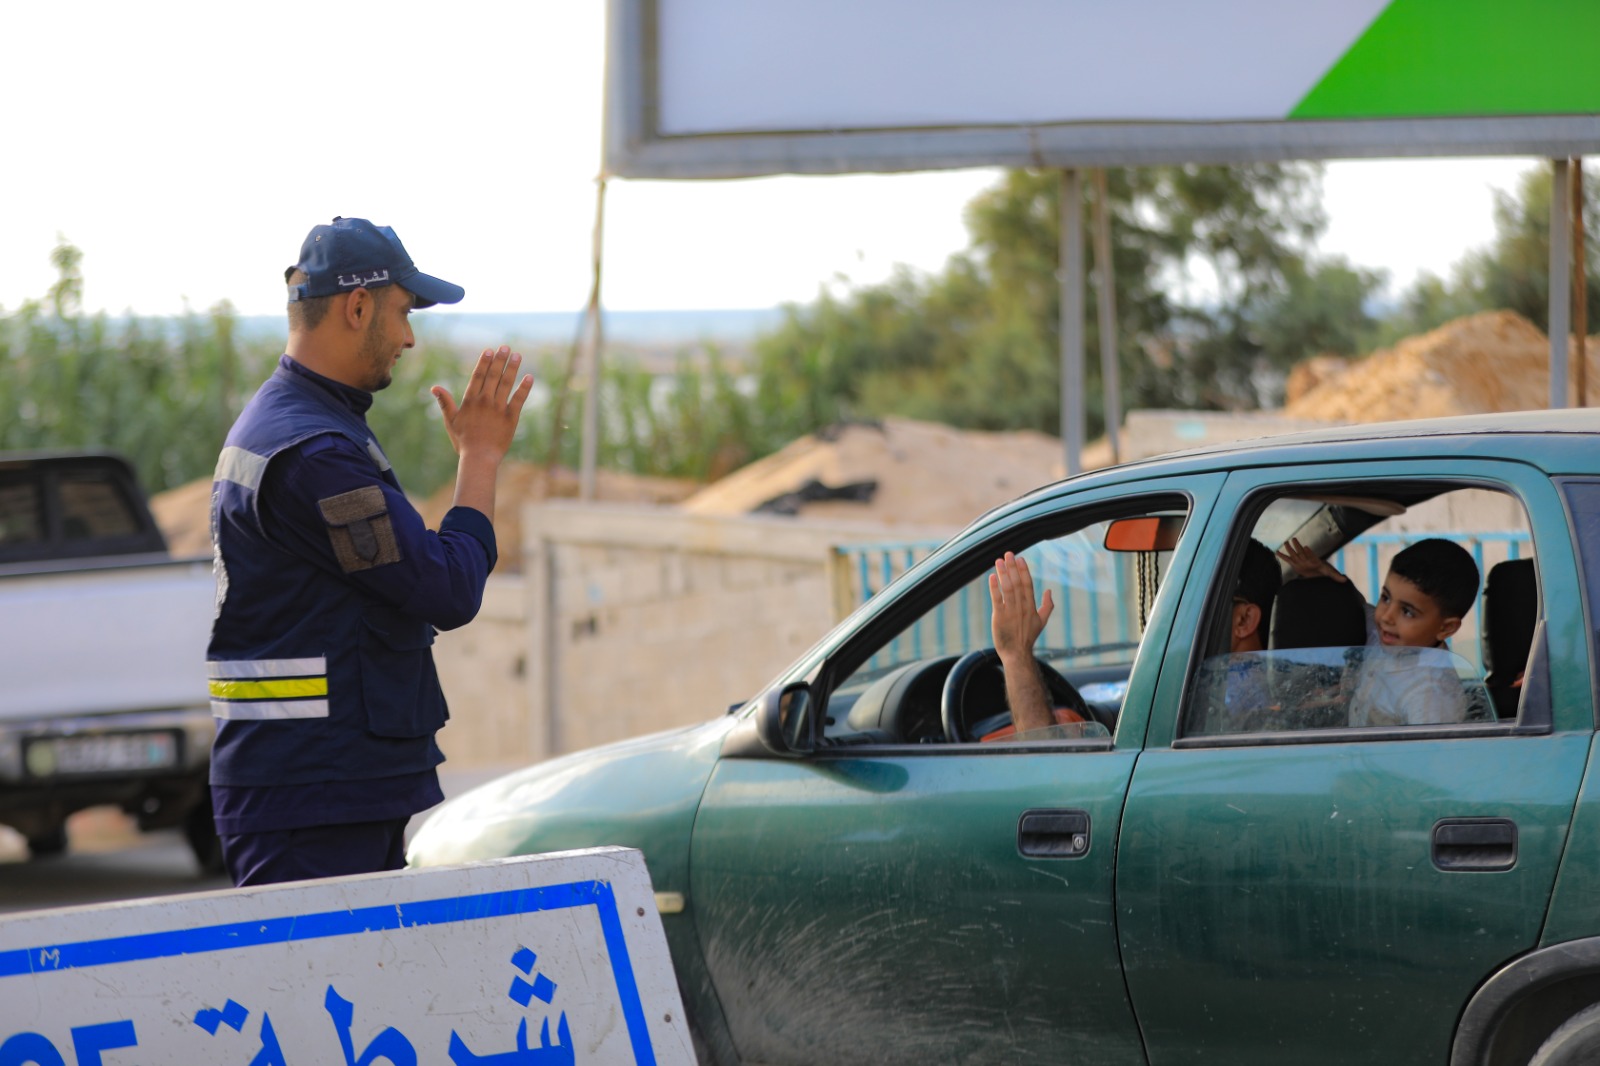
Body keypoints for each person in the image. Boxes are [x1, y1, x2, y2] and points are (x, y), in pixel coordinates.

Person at [205, 216, 533, 886]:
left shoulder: (303, 428)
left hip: (320, 788)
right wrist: (480, 458)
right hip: (313, 796)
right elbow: (445, 590)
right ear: (358, 307)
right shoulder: (315, 453)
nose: (410, 337)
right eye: (404, 312)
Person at [1278, 536, 1481, 725]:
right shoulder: (1384, 635)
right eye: (1385, 598)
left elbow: (1424, 759)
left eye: (1407, 612)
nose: (1386, 617)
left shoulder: (1431, 694)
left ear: (1445, 628)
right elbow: (1355, 608)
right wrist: (1325, 576)